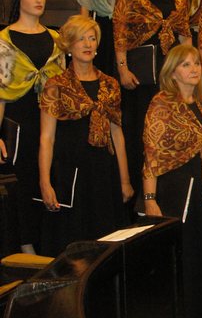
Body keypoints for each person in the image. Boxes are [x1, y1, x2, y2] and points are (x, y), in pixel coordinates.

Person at [141, 45, 202, 318]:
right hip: (178, 193)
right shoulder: (161, 103)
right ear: (172, 72)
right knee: (187, 262)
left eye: (196, 63)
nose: (194, 69)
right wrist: (150, 200)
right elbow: (152, 155)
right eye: (186, 65)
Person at [38, 15, 133, 256]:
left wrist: (124, 180)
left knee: (106, 244)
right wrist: (45, 182)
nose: (88, 44)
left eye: (92, 38)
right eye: (81, 39)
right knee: (73, 244)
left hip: (103, 171)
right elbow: (47, 138)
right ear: (69, 45)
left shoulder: (110, 84)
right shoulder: (56, 85)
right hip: (70, 173)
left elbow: (117, 135)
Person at [114, 0, 191, 199]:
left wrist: (191, 68)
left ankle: (168, 195)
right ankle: (141, 197)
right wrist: (122, 69)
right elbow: (120, 33)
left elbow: (184, 34)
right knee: (143, 134)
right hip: (141, 76)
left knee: (171, 132)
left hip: (171, 74)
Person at [0, 0, 65, 254]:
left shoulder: (56, 38)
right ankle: (26, 246)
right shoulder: (4, 39)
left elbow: (64, 83)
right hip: (18, 121)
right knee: (24, 183)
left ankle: (49, 241)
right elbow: (1, 92)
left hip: (50, 117)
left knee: (51, 177)